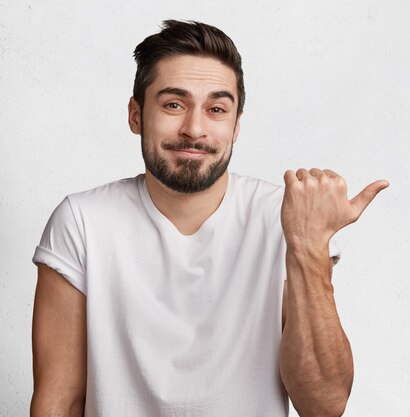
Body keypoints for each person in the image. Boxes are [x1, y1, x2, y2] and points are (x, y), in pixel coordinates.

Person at [31, 20, 388, 417]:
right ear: (136, 115)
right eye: (173, 105)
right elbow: (57, 402)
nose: (194, 129)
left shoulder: (281, 218)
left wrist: (308, 247)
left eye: (216, 109)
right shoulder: (82, 222)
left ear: (236, 126)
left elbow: (323, 405)